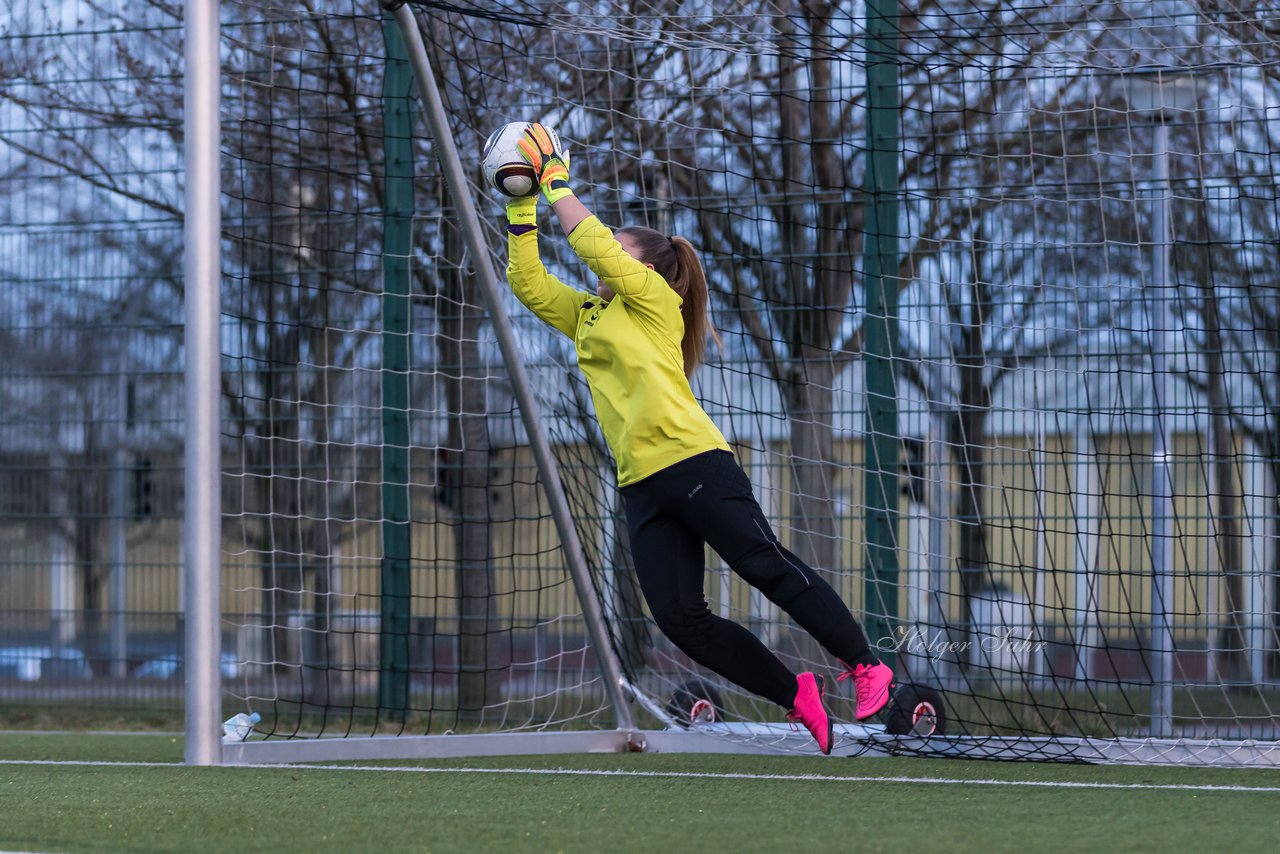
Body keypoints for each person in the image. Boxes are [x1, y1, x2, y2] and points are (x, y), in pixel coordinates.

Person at [502, 122, 893, 754]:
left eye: (621, 252)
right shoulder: (589, 317)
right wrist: (522, 204)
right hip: (641, 486)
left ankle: (865, 665)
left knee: (764, 565)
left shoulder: (656, 300)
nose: (608, 258)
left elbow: (596, 248)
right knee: (681, 620)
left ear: (648, 267)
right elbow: (527, 282)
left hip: (695, 463)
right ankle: (795, 695)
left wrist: (555, 184)